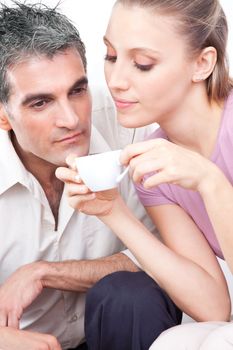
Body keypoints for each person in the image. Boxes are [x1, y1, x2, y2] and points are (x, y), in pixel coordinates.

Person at [0, 1, 183, 350]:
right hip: (23, 342)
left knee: (130, 295)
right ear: (4, 116)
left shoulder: (130, 125)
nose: (71, 119)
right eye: (41, 103)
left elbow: (173, 254)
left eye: (77, 90)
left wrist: (45, 272)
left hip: (114, 332)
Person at [56, 0, 233, 348]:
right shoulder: (156, 160)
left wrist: (212, 183)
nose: (116, 81)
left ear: (202, 63)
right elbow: (212, 306)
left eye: (142, 64)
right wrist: (112, 211)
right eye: (110, 56)